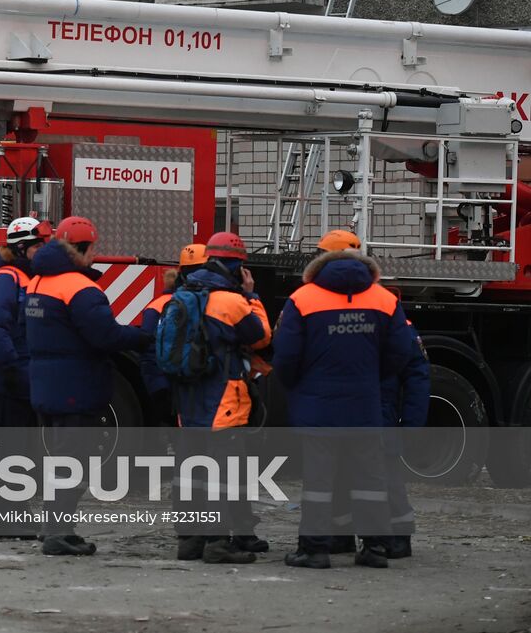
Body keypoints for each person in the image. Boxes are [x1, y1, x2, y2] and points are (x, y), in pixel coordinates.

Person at [274, 230, 422, 570]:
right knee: (369, 479)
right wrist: (373, 377)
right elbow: (401, 352)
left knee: (318, 482)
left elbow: (285, 356)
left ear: (320, 260)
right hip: (365, 407)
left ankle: (314, 550)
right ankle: (374, 549)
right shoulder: (384, 299)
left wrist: (299, 387)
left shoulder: (302, 298)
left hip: (318, 409)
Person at [25, 216, 151, 557]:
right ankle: (59, 533)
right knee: (74, 462)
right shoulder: (80, 288)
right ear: (79, 249)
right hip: (76, 388)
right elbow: (105, 336)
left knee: (58, 461)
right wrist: (144, 337)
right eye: (93, 249)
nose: (95, 256)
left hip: (47, 386)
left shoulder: (38, 283)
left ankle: (53, 527)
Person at [313, 230, 430, 561]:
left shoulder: (380, 307)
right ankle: (346, 535)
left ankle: (394, 537)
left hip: (373, 410)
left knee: (382, 478)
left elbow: (414, 370)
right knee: (346, 475)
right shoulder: (375, 306)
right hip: (363, 409)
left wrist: (411, 425)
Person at [165, 232, 272, 564]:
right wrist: (252, 296)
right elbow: (261, 337)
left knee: (190, 473)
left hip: (189, 402)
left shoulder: (183, 295)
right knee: (223, 475)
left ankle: (190, 542)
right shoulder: (231, 302)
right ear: (238, 267)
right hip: (223, 404)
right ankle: (217, 542)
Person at [0, 217, 50, 539]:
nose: (42, 251)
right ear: (21, 248)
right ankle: (2, 518)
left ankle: (12, 514)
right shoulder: (5, 278)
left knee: (17, 450)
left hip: (16, 376)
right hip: (6, 379)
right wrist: (13, 368)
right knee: (8, 450)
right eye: (37, 246)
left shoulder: (20, 276)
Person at [137, 243, 209, 421]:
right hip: (195, 385)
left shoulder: (156, 306)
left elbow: (147, 348)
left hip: (165, 384)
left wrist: (157, 386)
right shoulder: (207, 302)